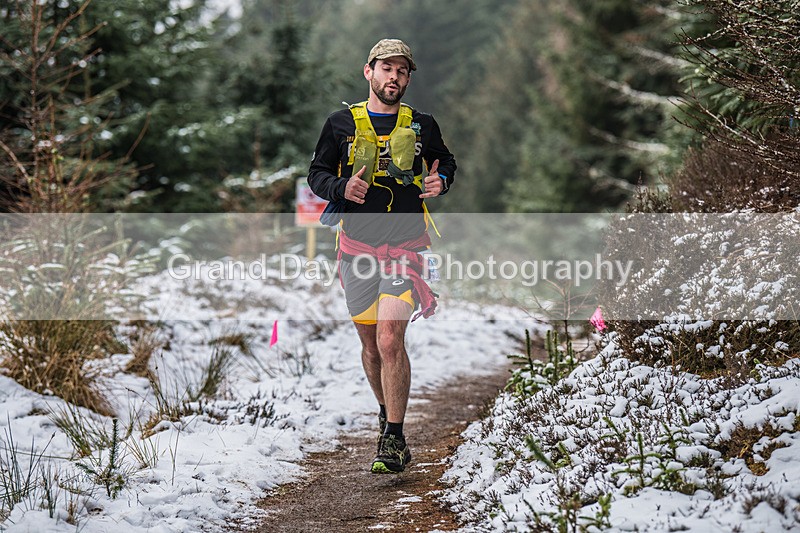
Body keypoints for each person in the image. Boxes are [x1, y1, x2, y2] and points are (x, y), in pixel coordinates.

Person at [307, 38, 456, 473]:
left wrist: (441, 180)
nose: (394, 77)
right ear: (368, 72)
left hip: (407, 248)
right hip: (355, 249)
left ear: (409, 78)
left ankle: (393, 436)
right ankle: (385, 411)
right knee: (370, 346)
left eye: (402, 71)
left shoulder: (423, 125)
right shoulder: (340, 124)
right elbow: (316, 174)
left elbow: (445, 162)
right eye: (386, 69)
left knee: (391, 338)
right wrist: (340, 188)